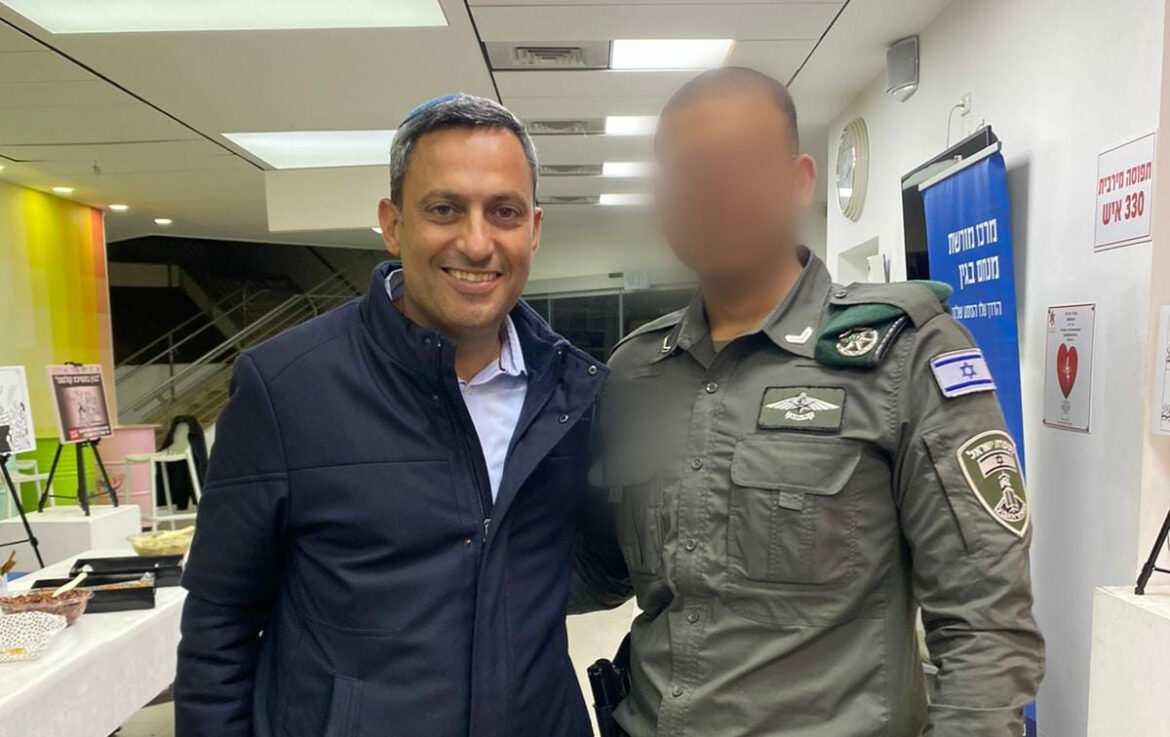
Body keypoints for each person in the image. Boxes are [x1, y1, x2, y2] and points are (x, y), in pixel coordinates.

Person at [572, 67, 1045, 737]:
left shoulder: (906, 354)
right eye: (687, 175)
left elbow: (986, 620)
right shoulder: (635, 371)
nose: (712, 193)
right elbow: (600, 568)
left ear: (798, 180)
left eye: (736, 167)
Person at [176, 94, 606, 737]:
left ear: (534, 229)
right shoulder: (286, 388)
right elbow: (220, 622)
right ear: (393, 224)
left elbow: (600, 565)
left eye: (505, 212)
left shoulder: (572, 392)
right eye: (444, 209)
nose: (477, 242)